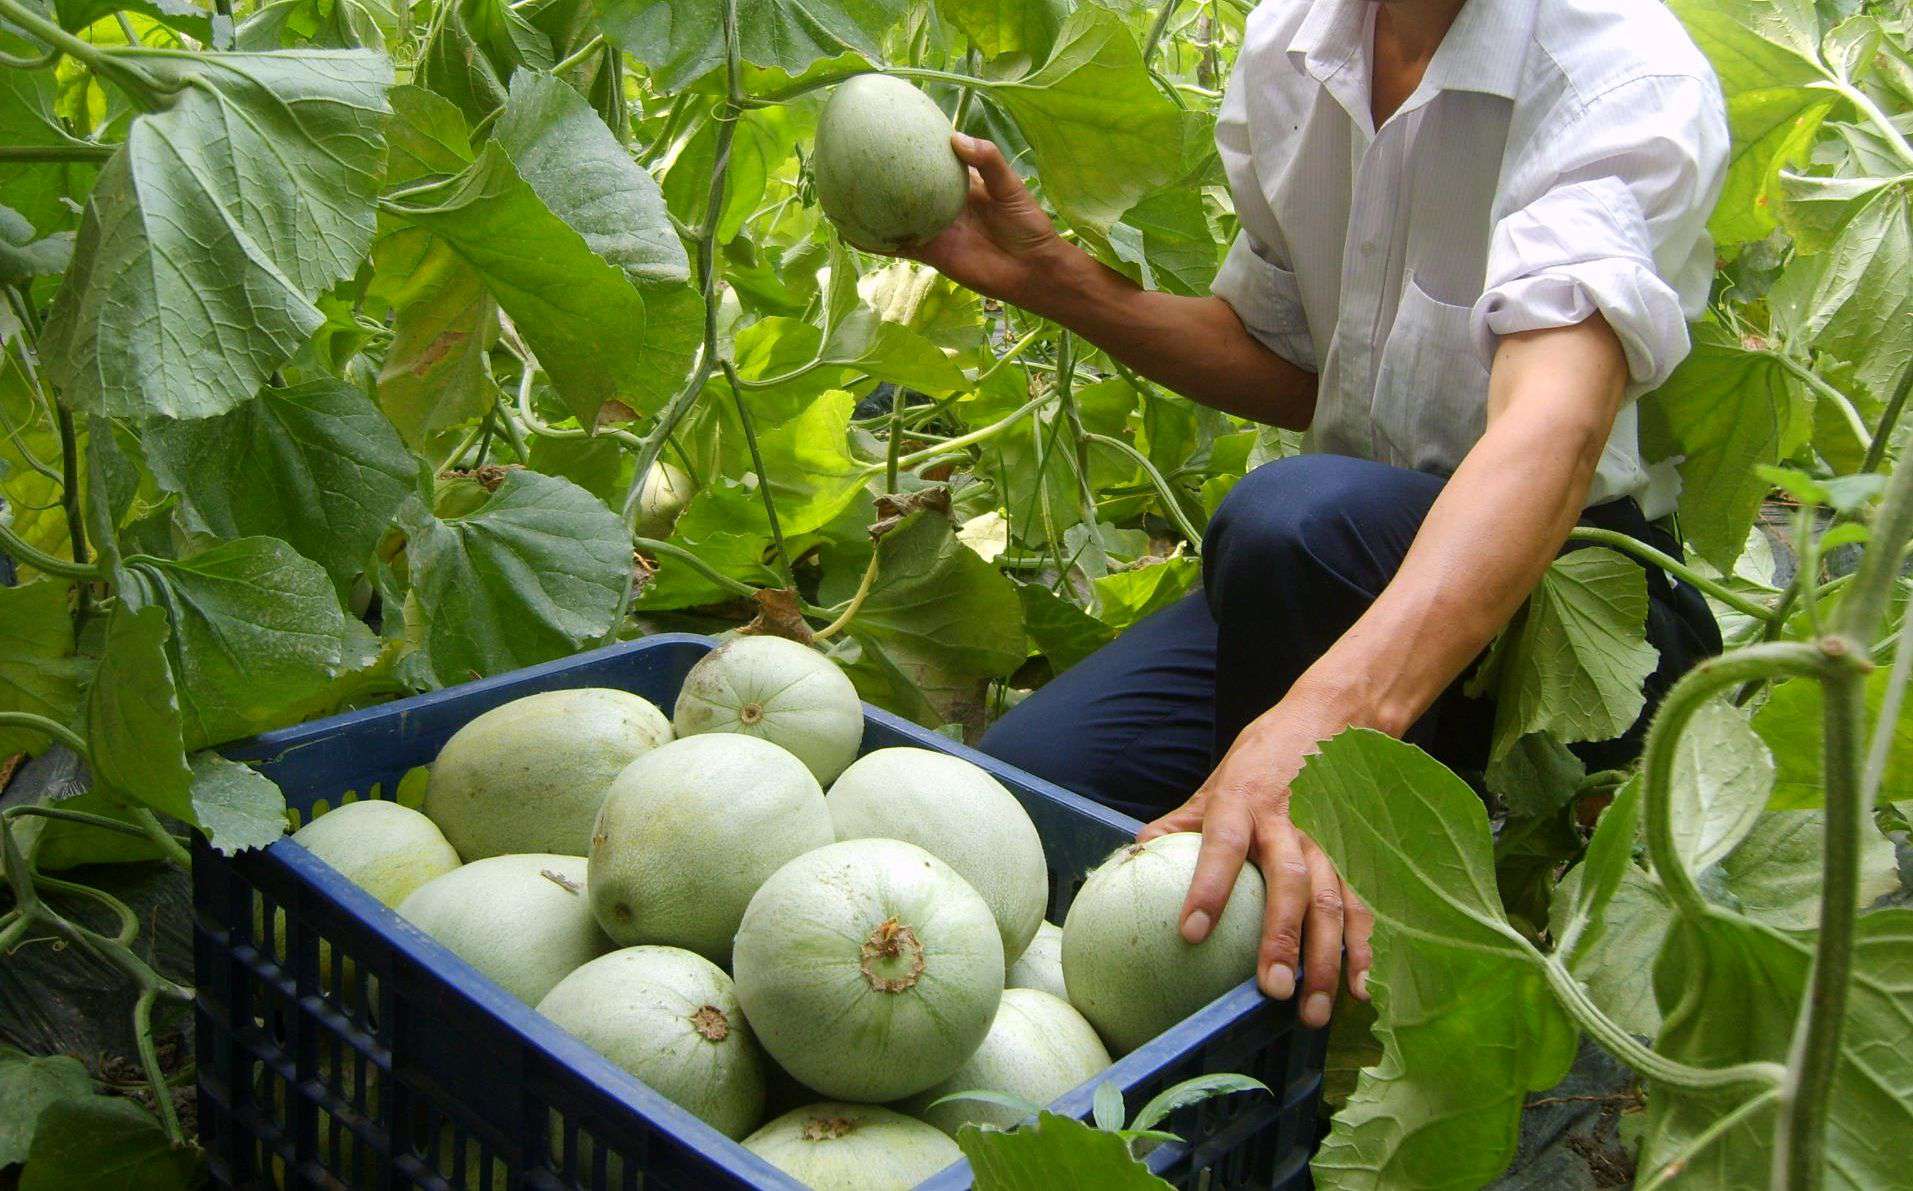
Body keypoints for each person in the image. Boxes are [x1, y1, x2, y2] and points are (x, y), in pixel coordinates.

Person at [891, 0, 1732, 1031]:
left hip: (1581, 610)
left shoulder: (1621, 73)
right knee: (1022, 808)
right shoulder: (1294, 44)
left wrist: (1326, 718)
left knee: (1292, 520)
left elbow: (1550, 434)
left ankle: (1309, 1022)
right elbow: (1294, 369)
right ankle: (1275, 903)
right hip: (1341, 565)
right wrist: (1054, 280)